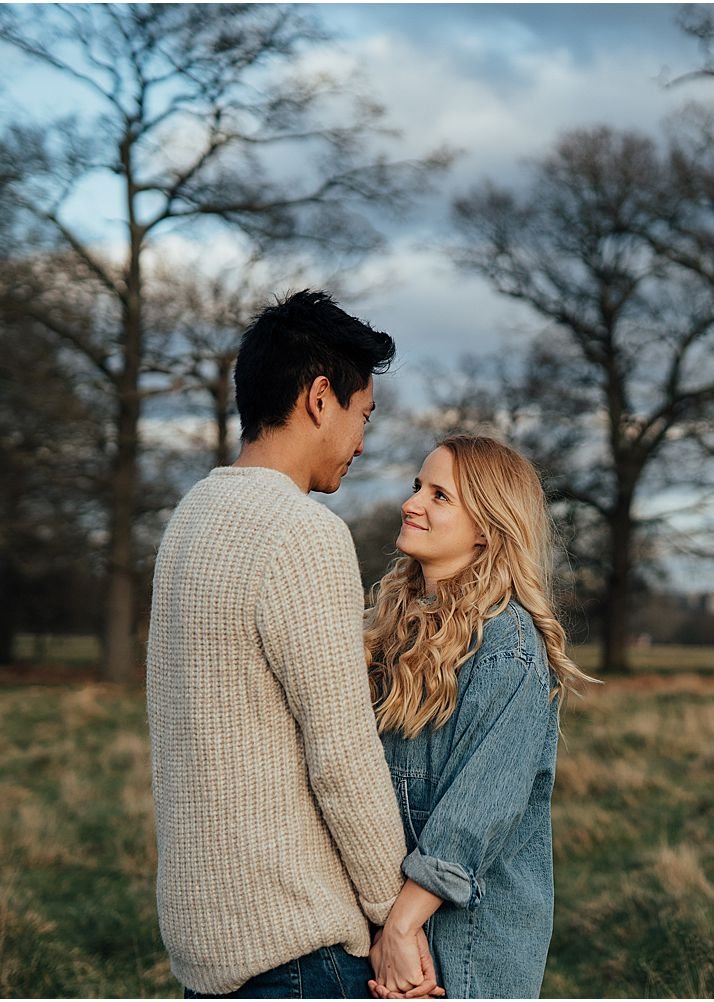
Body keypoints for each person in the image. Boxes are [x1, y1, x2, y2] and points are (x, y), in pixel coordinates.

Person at [146, 290, 442, 999]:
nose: (362, 441)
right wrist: (392, 919)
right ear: (319, 398)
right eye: (362, 415)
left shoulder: (190, 517)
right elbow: (341, 754)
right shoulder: (300, 531)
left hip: (206, 948)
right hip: (297, 949)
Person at [363, 435, 597, 999]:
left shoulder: (508, 646)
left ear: (487, 527)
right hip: (394, 917)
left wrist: (402, 924)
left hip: (472, 935)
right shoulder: (391, 625)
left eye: (439, 495)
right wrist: (390, 922)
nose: (411, 503)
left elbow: (478, 810)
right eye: (418, 486)